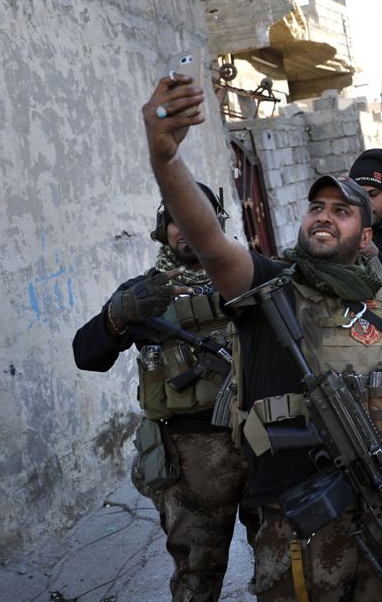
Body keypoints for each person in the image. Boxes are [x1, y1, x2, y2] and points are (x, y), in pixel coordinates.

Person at [140, 73, 382, 602]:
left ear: (365, 237)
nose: (325, 217)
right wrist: (166, 162)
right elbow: (211, 244)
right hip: (300, 520)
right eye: (317, 207)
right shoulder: (270, 287)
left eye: (342, 211)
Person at [72, 182, 259, 602]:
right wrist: (116, 317)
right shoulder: (145, 293)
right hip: (189, 459)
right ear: (163, 228)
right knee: (196, 578)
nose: (187, 226)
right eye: (176, 217)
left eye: (198, 214)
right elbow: (87, 354)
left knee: (280, 566)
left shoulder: (250, 273)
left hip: (262, 440)